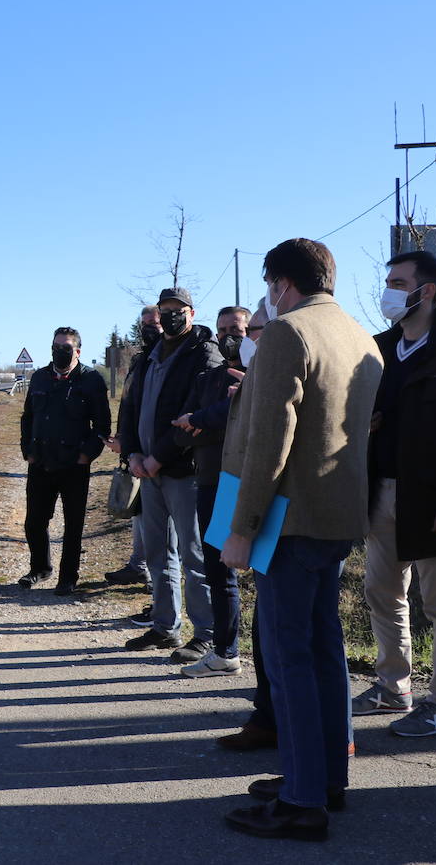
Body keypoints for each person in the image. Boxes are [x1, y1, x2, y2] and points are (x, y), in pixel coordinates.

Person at [220, 239, 382, 842]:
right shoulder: (360, 336)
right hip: (338, 514)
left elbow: (271, 438)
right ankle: (323, 777)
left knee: (289, 659)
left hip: (288, 520)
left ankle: (301, 799)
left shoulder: (288, 332)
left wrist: (242, 528)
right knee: (323, 650)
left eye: (269, 285)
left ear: (281, 283)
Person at [356, 250, 436, 736]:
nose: (389, 291)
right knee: (382, 592)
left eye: (398, 282)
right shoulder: (379, 349)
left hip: (434, 499)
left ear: (425, 290)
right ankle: (394, 686)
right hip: (381, 491)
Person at [118, 288, 221, 662]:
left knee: (195, 556)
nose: (171, 316)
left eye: (178, 310)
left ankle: (207, 633)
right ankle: (165, 626)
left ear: (191, 313)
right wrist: (132, 453)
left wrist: (157, 457)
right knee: (158, 553)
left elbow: (196, 413)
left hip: (183, 470)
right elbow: (129, 406)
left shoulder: (204, 354)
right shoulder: (147, 355)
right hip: (146, 469)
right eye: (166, 310)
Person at [212, 298, 281, 751]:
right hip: (266, 510)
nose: (243, 340)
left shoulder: (278, 371)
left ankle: (283, 734)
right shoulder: (245, 377)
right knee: (272, 628)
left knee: (282, 633)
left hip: (279, 516)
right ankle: (271, 717)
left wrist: (241, 527)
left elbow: (267, 454)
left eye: (252, 330)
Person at [171, 305, 250, 677]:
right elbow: (181, 423)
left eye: (235, 328)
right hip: (210, 480)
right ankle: (225, 651)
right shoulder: (209, 378)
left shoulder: (261, 374)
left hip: (247, 483)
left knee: (262, 574)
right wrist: (212, 418)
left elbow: (234, 419)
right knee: (219, 570)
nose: (227, 336)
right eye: (221, 330)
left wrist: (206, 420)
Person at [17, 326, 111, 595]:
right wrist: (28, 450)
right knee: (34, 521)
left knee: (73, 524)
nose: (60, 352)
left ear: (78, 351)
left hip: (74, 465)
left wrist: (87, 455)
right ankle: (39, 569)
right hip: (41, 462)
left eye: (66, 348)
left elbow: (102, 424)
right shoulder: (40, 378)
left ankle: (68, 577)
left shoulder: (91, 380)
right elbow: (28, 417)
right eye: (56, 347)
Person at [105, 305, 164, 588]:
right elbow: (128, 405)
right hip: (136, 449)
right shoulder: (140, 360)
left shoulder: (171, 360)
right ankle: (139, 565)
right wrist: (123, 440)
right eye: (144, 324)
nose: (148, 328)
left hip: (160, 453)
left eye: (154, 322)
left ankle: (155, 580)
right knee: (138, 510)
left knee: (161, 524)